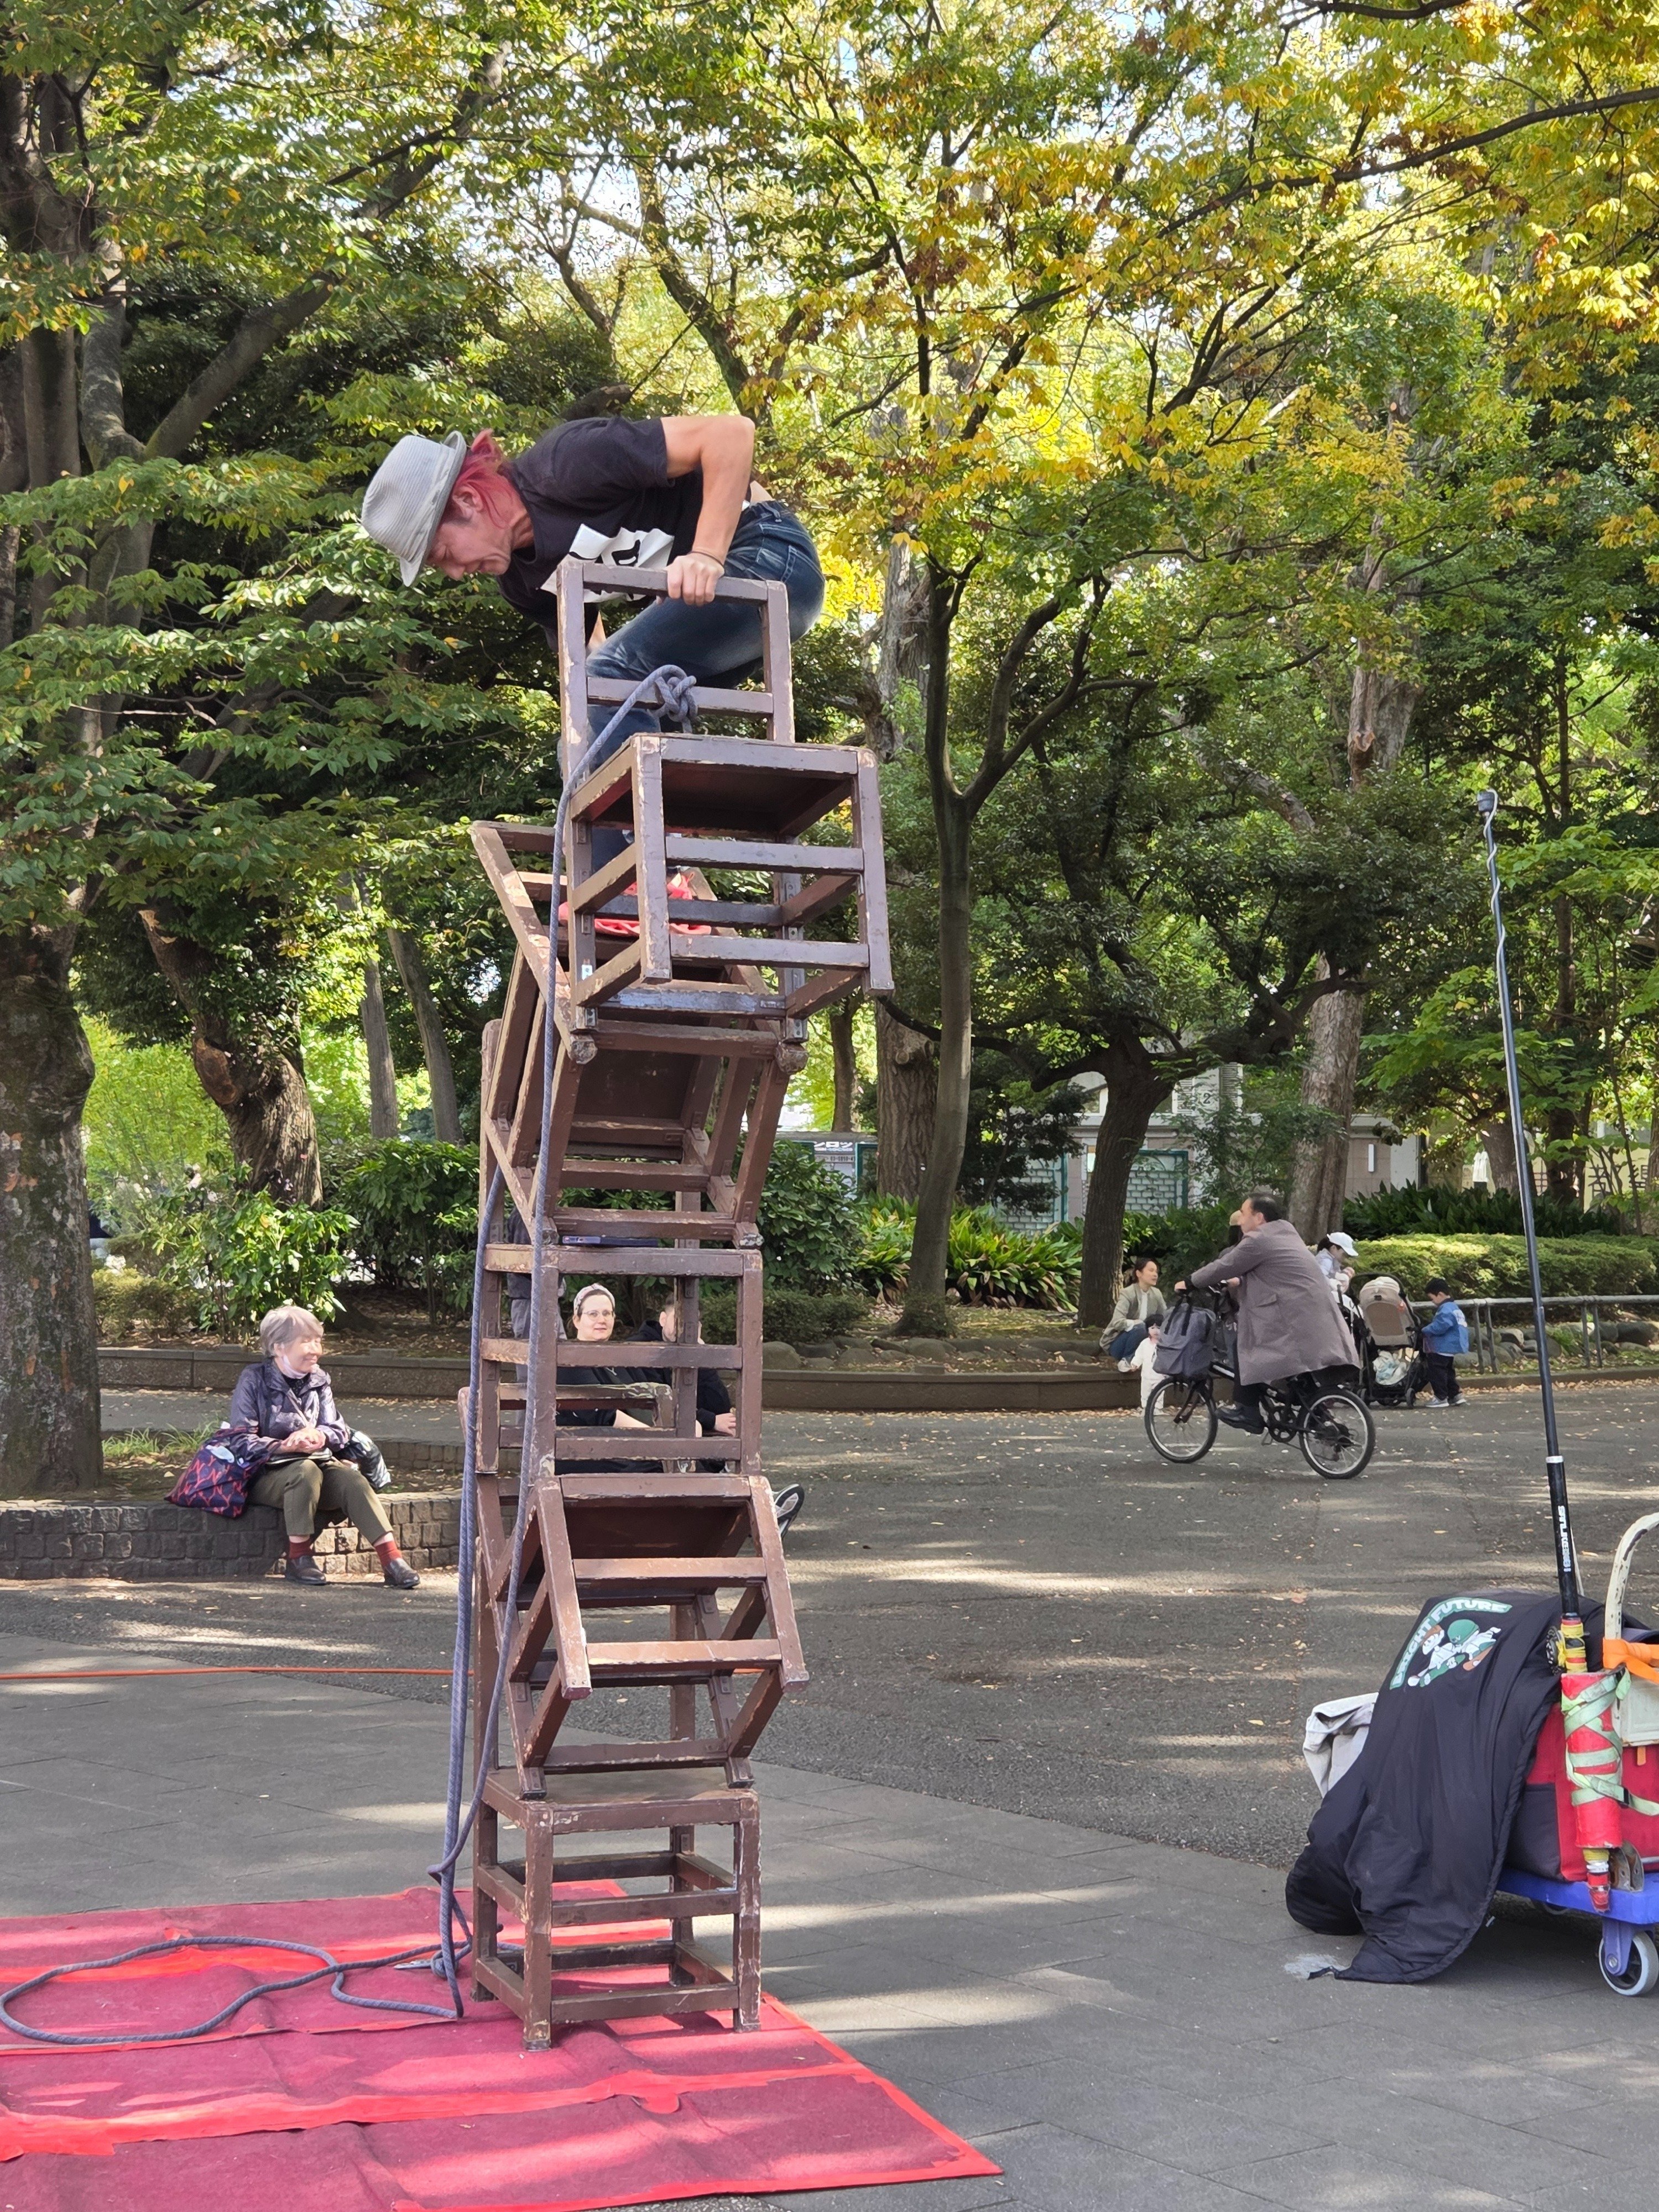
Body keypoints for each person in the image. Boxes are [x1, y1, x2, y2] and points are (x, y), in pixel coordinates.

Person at [359, 413, 826, 910]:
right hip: (722, 610)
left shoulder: (564, 466)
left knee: (612, 687)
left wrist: (708, 554)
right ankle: (657, 887)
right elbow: (589, 673)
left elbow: (731, 433)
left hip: (771, 559)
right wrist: (579, 749)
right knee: (588, 731)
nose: (454, 574)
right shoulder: (522, 581)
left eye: (443, 554)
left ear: (469, 501)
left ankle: (626, 890)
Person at [231, 1306, 419, 1589]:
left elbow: (337, 1429)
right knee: (304, 1471)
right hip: (268, 1474)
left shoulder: (319, 1380)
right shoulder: (254, 1379)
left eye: (318, 1341)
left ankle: (392, 1560)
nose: (315, 1349)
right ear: (278, 1346)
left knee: (353, 1480)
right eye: (306, 1341)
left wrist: (320, 1436)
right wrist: (284, 1445)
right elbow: (241, 1440)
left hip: (318, 1466)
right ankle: (299, 1559)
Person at [1176, 1190, 1361, 1434]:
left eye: (1243, 1213)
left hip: (1291, 1318)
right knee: (1299, 1372)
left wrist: (1189, 1282)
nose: (1240, 1220)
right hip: (1315, 1315)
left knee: (1245, 1347)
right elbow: (1275, 1274)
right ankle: (1319, 1419)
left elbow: (1226, 1265)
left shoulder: (1259, 1240)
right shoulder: (1287, 1235)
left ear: (1259, 1217)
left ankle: (1248, 1411)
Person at [1100, 1258, 1167, 1370]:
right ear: (1139, 1273)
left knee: (1153, 1330)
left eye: (1156, 1271)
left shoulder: (1156, 1294)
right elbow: (1117, 1322)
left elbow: (1165, 1317)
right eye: (1151, 1271)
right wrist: (1135, 1323)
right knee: (1142, 1327)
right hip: (1119, 1344)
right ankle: (1127, 1361)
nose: (1155, 1275)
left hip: (1145, 1344)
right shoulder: (1128, 1293)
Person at [1415, 1277, 1469, 1408]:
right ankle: (1455, 1395)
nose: (1432, 1302)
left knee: (1437, 1373)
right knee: (1449, 1373)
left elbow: (1441, 1326)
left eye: (1432, 1298)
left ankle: (1441, 1397)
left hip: (1441, 1347)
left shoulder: (1445, 1309)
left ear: (1440, 1295)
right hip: (1450, 1349)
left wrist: (1425, 1330)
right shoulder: (1455, 1308)